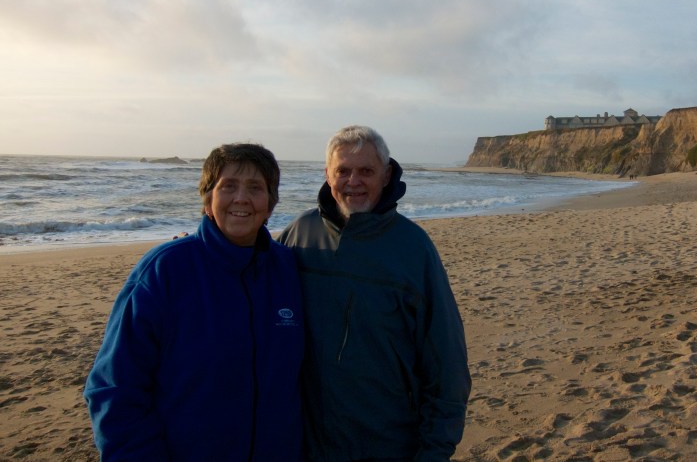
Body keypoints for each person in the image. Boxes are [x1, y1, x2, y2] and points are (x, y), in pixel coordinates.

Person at [85, 143, 304, 461]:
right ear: (208, 200)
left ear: (270, 204)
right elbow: (113, 387)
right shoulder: (165, 270)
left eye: (255, 188)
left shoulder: (287, 269)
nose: (241, 198)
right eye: (228, 186)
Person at [279, 125, 471, 461]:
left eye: (366, 171)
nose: (353, 181)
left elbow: (447, 363)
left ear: (385, 175)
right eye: (343, 171)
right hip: (305, 444)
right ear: (327, 174)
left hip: (387, 443)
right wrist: (196, 256)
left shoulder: (414, 249)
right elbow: (250, 283)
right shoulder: (299, 234)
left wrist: (435, 449)